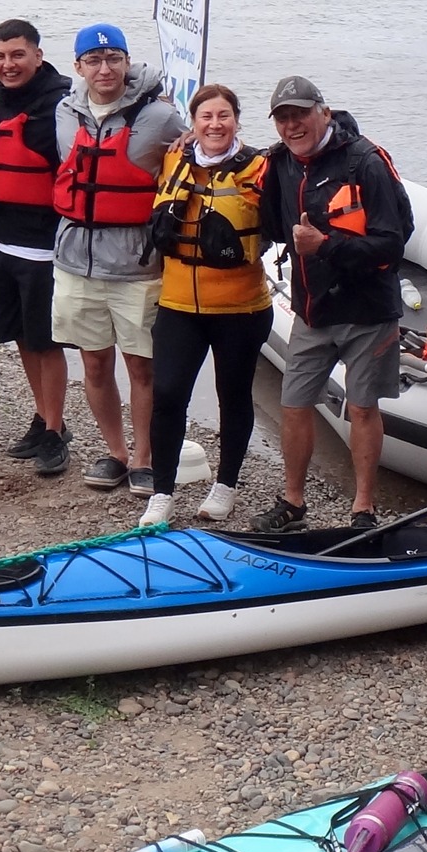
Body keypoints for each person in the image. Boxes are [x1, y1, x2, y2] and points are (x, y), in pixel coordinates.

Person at [251, 76, 410, 532]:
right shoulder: (278, 163)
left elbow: (394, 243)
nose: (292, 124)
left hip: (369, 311)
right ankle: (293, 503)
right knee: (295, 404)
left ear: (323, 111)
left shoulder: (366, 161)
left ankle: (363, 509)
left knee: (362, 407)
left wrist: (325, 246)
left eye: (300, 113)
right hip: (312, 310)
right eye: (282, 117)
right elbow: (268, 225)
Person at [50, 23, 184, 493]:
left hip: (136, 265)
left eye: (113, 59)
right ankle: (115, 453)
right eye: (94, 61)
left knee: (142, 366)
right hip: (75, 261)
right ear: (79, 66)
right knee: (93, 364)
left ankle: (145, 457)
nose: (104, 69)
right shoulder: (66, 112)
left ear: (127, 62)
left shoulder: (161, 117)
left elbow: (206, 147)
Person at [138, 84, 271, 527]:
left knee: (233, 396)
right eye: (206, 117)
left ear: (237, 120)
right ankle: (162, 492)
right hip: (178, 305)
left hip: (241, 309)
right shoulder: (174, 159)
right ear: (192, 123)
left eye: (224, 116)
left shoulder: (259, 168)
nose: (215, 125)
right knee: (168, 395)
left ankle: (226, 485)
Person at [0, 19, 72, 476]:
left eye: (18, 56)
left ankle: (56, 429)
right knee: (22, 338)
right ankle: (42, 417)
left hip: (43, 246)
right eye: (1, 56)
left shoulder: (63, 102)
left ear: (38, 57)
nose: (8, 65)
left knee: (46, 341)